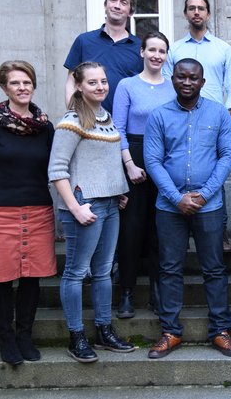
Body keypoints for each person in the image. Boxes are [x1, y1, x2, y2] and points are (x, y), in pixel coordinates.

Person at [144, 58, 231, 359]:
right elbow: (152, 161)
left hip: (209, 207)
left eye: (193, 78)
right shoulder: (159, 116)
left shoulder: (218, 112)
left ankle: (221, 330)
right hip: (169, 207)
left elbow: (227, 156)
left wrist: (205, 193)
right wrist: (176, 198)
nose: (187, 82)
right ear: (173, 79)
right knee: (170, 268)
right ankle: (171, 331)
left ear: (202, 81)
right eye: (181, 77)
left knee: (214, 268)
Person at [0, 60, 56, 366]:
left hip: (38, 209)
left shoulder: (44, 126)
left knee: (31, 279)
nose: (22, 87)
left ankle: (24, 337)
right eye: (15, 83)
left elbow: (55, 166)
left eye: (27, 82)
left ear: (33, 85)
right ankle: (6, 340)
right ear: (5, 87)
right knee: (2, 279)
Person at [49, 61, 135, 363]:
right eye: (93, 82)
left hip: (110, 205)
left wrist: (119, 189)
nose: (100, 87)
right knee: (75, 273)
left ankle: (103, 330)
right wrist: (74, 208)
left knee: (102, 272)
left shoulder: (106, 117)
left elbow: (106, 161)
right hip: (84, 207)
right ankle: (77, 336)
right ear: (79, 85)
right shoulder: (72, 121)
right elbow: (57, 170)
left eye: (103, 81)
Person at [163, 0, 231, 253]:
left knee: (217, 172)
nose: (196, 12)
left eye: (201, 8)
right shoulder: (175, 49)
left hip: (213, 120)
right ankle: (179, 229)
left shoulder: (222, 49)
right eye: (191, 8)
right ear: (185, 13)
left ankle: (222, 229)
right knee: (181, 167)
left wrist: (226, 113)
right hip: (180, 116)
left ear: (208, 13)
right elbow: (166, 82)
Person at [112, 31, 176, 319]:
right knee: (132, 229)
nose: (156, 55)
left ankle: (156, 291)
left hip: (164, 157)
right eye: (152, 49)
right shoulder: (127, 86)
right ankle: (126, 292)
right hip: (134, 157)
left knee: (159, 230)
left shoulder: (173, 87)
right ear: (142, 52)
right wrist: (128, 164)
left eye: (162, 51)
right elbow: (118, 128)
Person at [64, 0, 143, 114]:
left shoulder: (139, 48)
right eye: (113, 0)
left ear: (131, 12)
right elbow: (71, 81)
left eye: (124, 2)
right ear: (105, 5)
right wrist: (74, 114)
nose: (117, 6)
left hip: (126, 124)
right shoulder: (84, 41)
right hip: (88, 120)